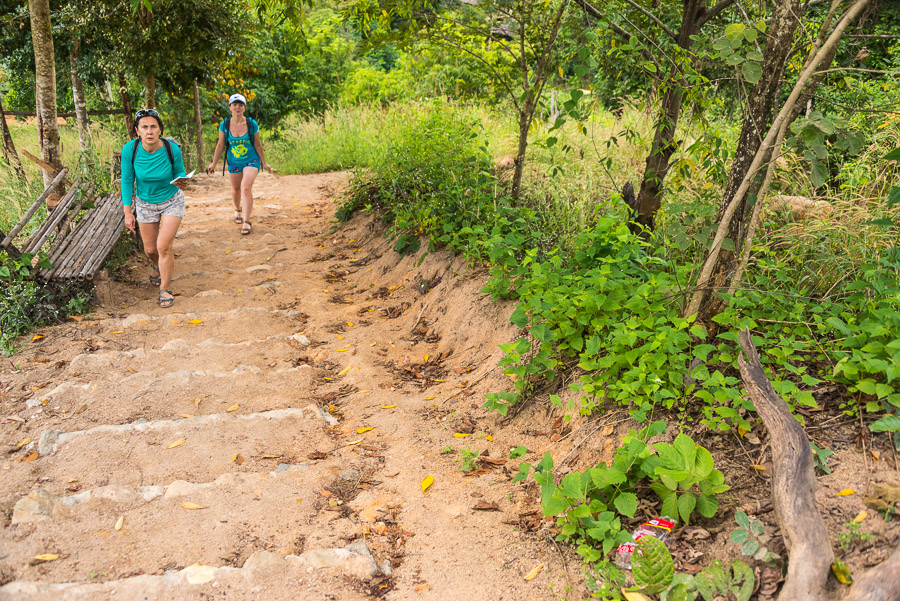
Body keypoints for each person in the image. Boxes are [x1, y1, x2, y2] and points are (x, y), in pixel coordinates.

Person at [121, 108, 191, 309]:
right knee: (150, 249)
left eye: (153, 126)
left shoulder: (171, 149)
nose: (149, 131)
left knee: (163, 247)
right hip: (144, 202)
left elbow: (180, 172)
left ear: (160, 129)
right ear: (137, 131)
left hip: (171, 200)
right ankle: (156, 265)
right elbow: (127, 180)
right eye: (144, 127)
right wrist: (128, 211)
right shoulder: (130, 150)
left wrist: (182, 182)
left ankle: (165, 288)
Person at [206, 93, 272, 235]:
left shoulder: (251, 123)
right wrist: (213, 163)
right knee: (236, 189)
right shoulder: (225, 124)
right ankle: (237, 210)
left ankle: (247, 221)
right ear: (229, 107)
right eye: (234, 104)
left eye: (240, 105)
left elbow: (257, 144)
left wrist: (264, 163)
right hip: (234, 161)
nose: (237, 107)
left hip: (251, 160)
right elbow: (221, 144)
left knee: (245, 187)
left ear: (244, 107)